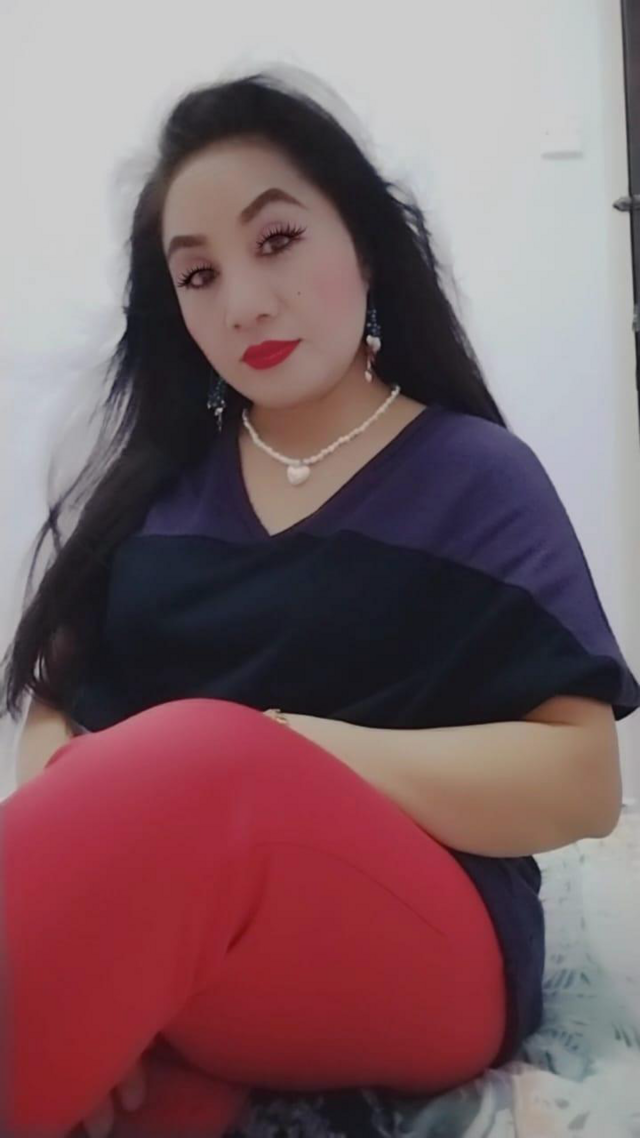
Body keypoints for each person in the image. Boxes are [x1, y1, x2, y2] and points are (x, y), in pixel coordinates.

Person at [1, 67, 639, 1138]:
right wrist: (89, 926)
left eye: (278, 240)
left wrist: (289, 747)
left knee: (202, 757)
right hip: (215, 945)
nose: (243, 301)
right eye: (197, 274)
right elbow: (57, 716)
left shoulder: (475, 475)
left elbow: (581, 782)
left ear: (366, 246)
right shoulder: (154, 487)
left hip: (432, 940)